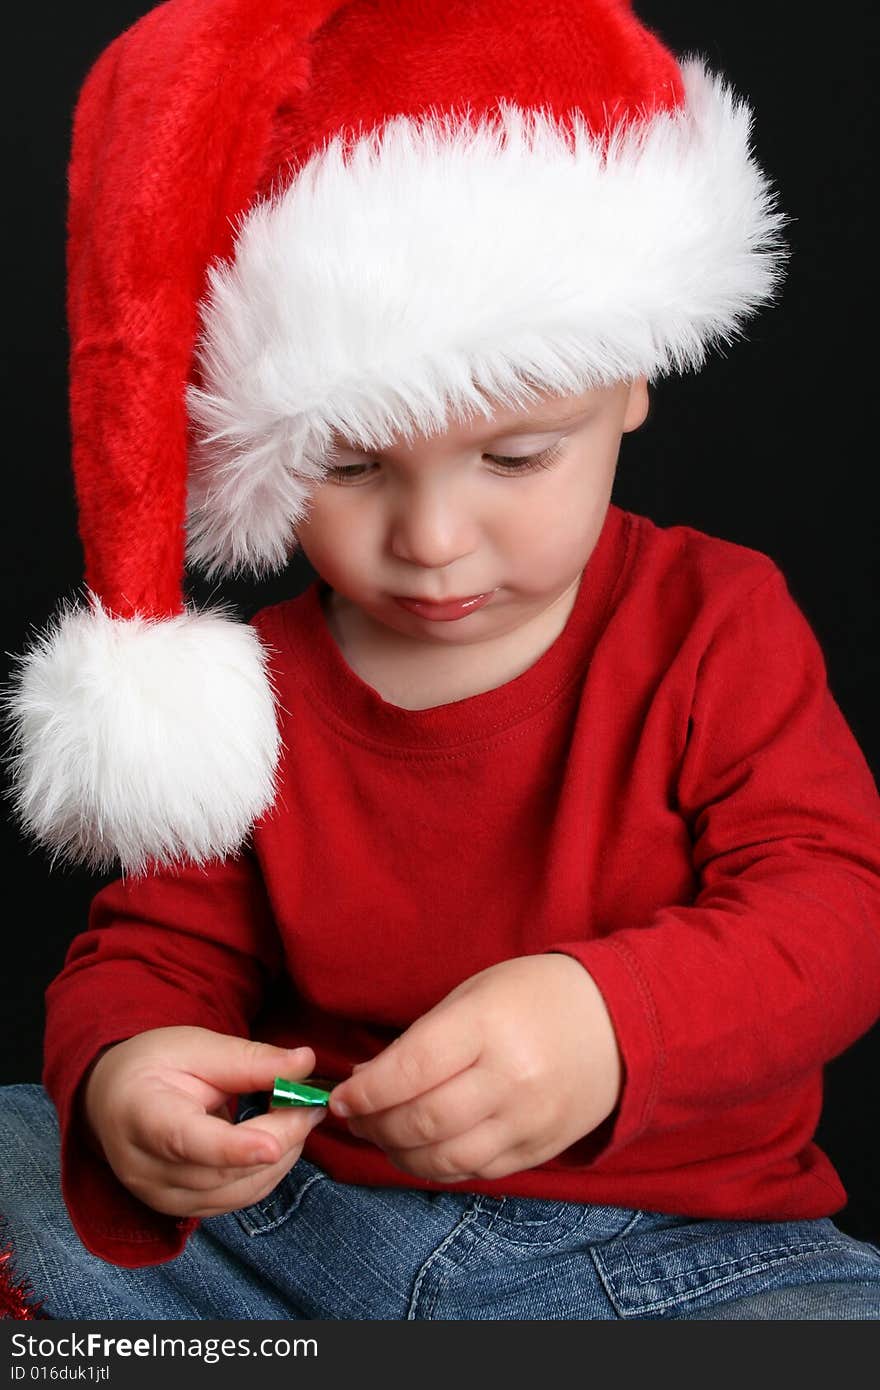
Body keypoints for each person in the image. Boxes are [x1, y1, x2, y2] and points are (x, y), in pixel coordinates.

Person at [2, 0, 880, 1321]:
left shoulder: (714, 621)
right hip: (299, 1214)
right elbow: (151, 949)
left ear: (630, 376)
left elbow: (839, 908)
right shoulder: (257, 686)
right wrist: (134, 1072)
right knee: (31, 1135)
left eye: (517, 457)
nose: (429, 539)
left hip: (671, 1253)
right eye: (350, 467)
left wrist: (608, 1020)